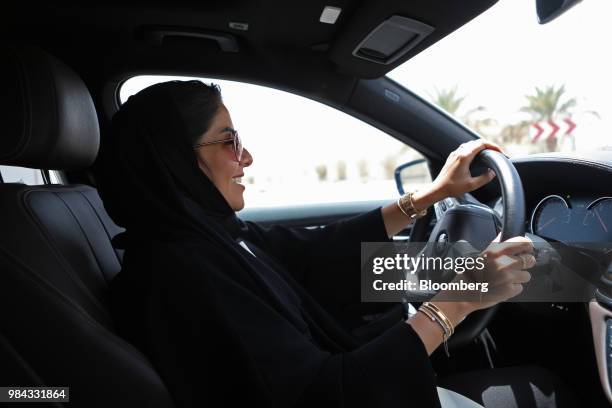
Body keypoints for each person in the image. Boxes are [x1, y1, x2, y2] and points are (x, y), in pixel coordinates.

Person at [93, 80, 576, 407]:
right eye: (228, 141)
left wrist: (431, 196)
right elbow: (322, 395)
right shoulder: (184, 274)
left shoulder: (209, 238)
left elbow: (312, 257)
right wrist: (455, 306)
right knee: (551, 388)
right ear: (176, 161)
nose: (247, 157)